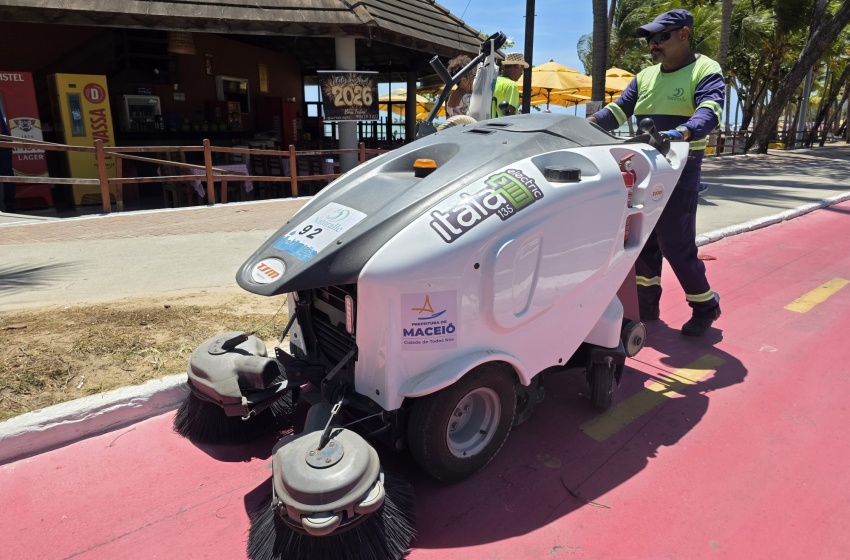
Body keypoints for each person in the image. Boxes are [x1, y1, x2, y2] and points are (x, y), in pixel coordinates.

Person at [588, 8, 724, 336]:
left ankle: (706, 306)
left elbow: (710, 110)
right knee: (641, 240)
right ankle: (646, 303)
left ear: (683, 34)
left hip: (680, 169)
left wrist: (682, 133)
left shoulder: (705, 69)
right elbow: (616, 111)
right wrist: (583, 126)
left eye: (661, 37)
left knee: (675, 244)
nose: (653, 45)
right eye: (650, 39)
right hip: (643, 167)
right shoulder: (645, 77)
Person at [492, 52, 527, 117]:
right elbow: (510, 114)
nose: (522, 73)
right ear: (516, 66)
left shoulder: (494, 81)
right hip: (502, 126)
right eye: (522, 69)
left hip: (486, 124)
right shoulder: (511, 85)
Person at [0, 102, 16, 213]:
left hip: (3, 143)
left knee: (6, 172)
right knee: (6, 172)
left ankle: (9, 203)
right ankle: (9, 202)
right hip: (5, 142)